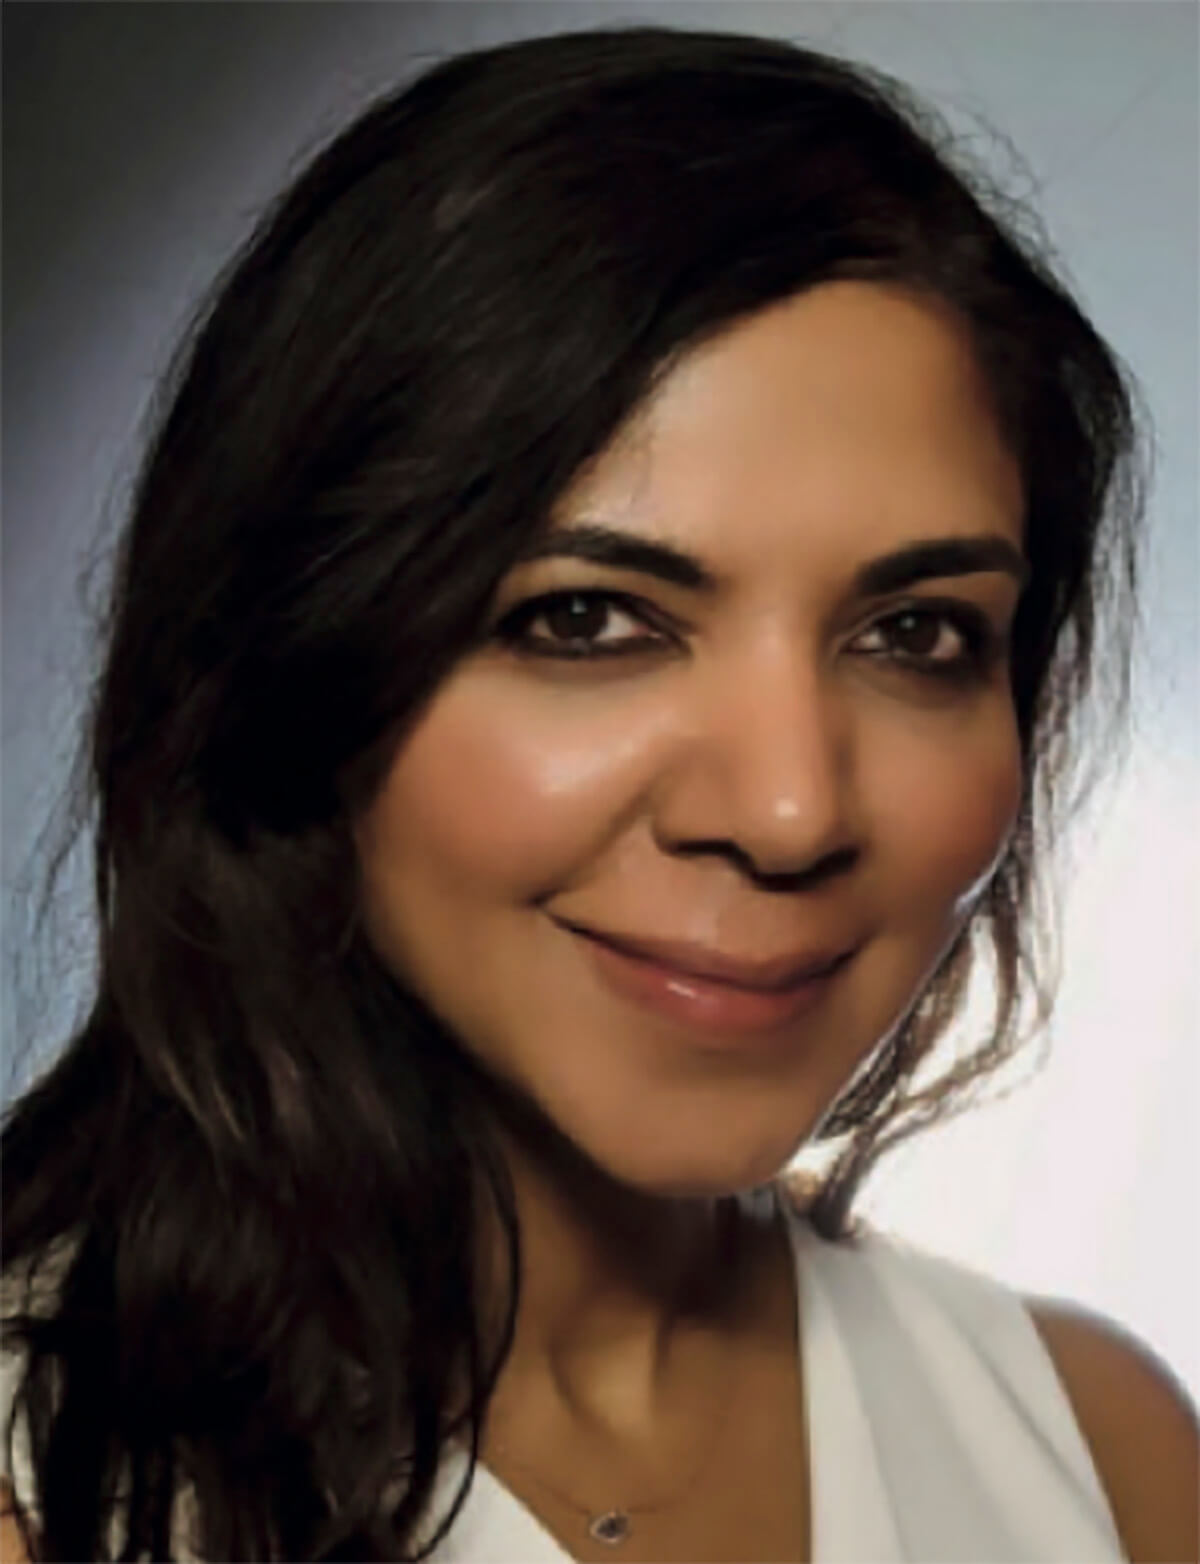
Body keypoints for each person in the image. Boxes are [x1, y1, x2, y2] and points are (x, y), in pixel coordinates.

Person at [1, 22, 1196, 1564]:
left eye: (915, 635)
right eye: (588, 620)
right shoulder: (43, 1488)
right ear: (289, 655)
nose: (789, 811)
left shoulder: (1108, 1460)